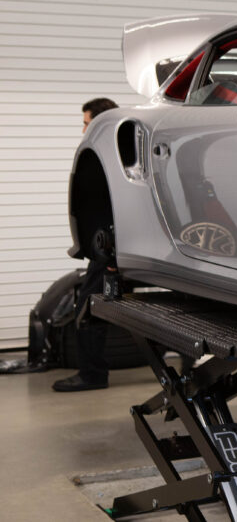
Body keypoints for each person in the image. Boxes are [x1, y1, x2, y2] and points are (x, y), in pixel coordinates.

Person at [52, 97, 119, 392]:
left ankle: (92, 375)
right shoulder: (114, 154)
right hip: (109, 248)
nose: (83, 131)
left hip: (112, 251)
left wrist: (111, 253)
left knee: (88, 308)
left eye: (86, 124)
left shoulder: (108, 158)